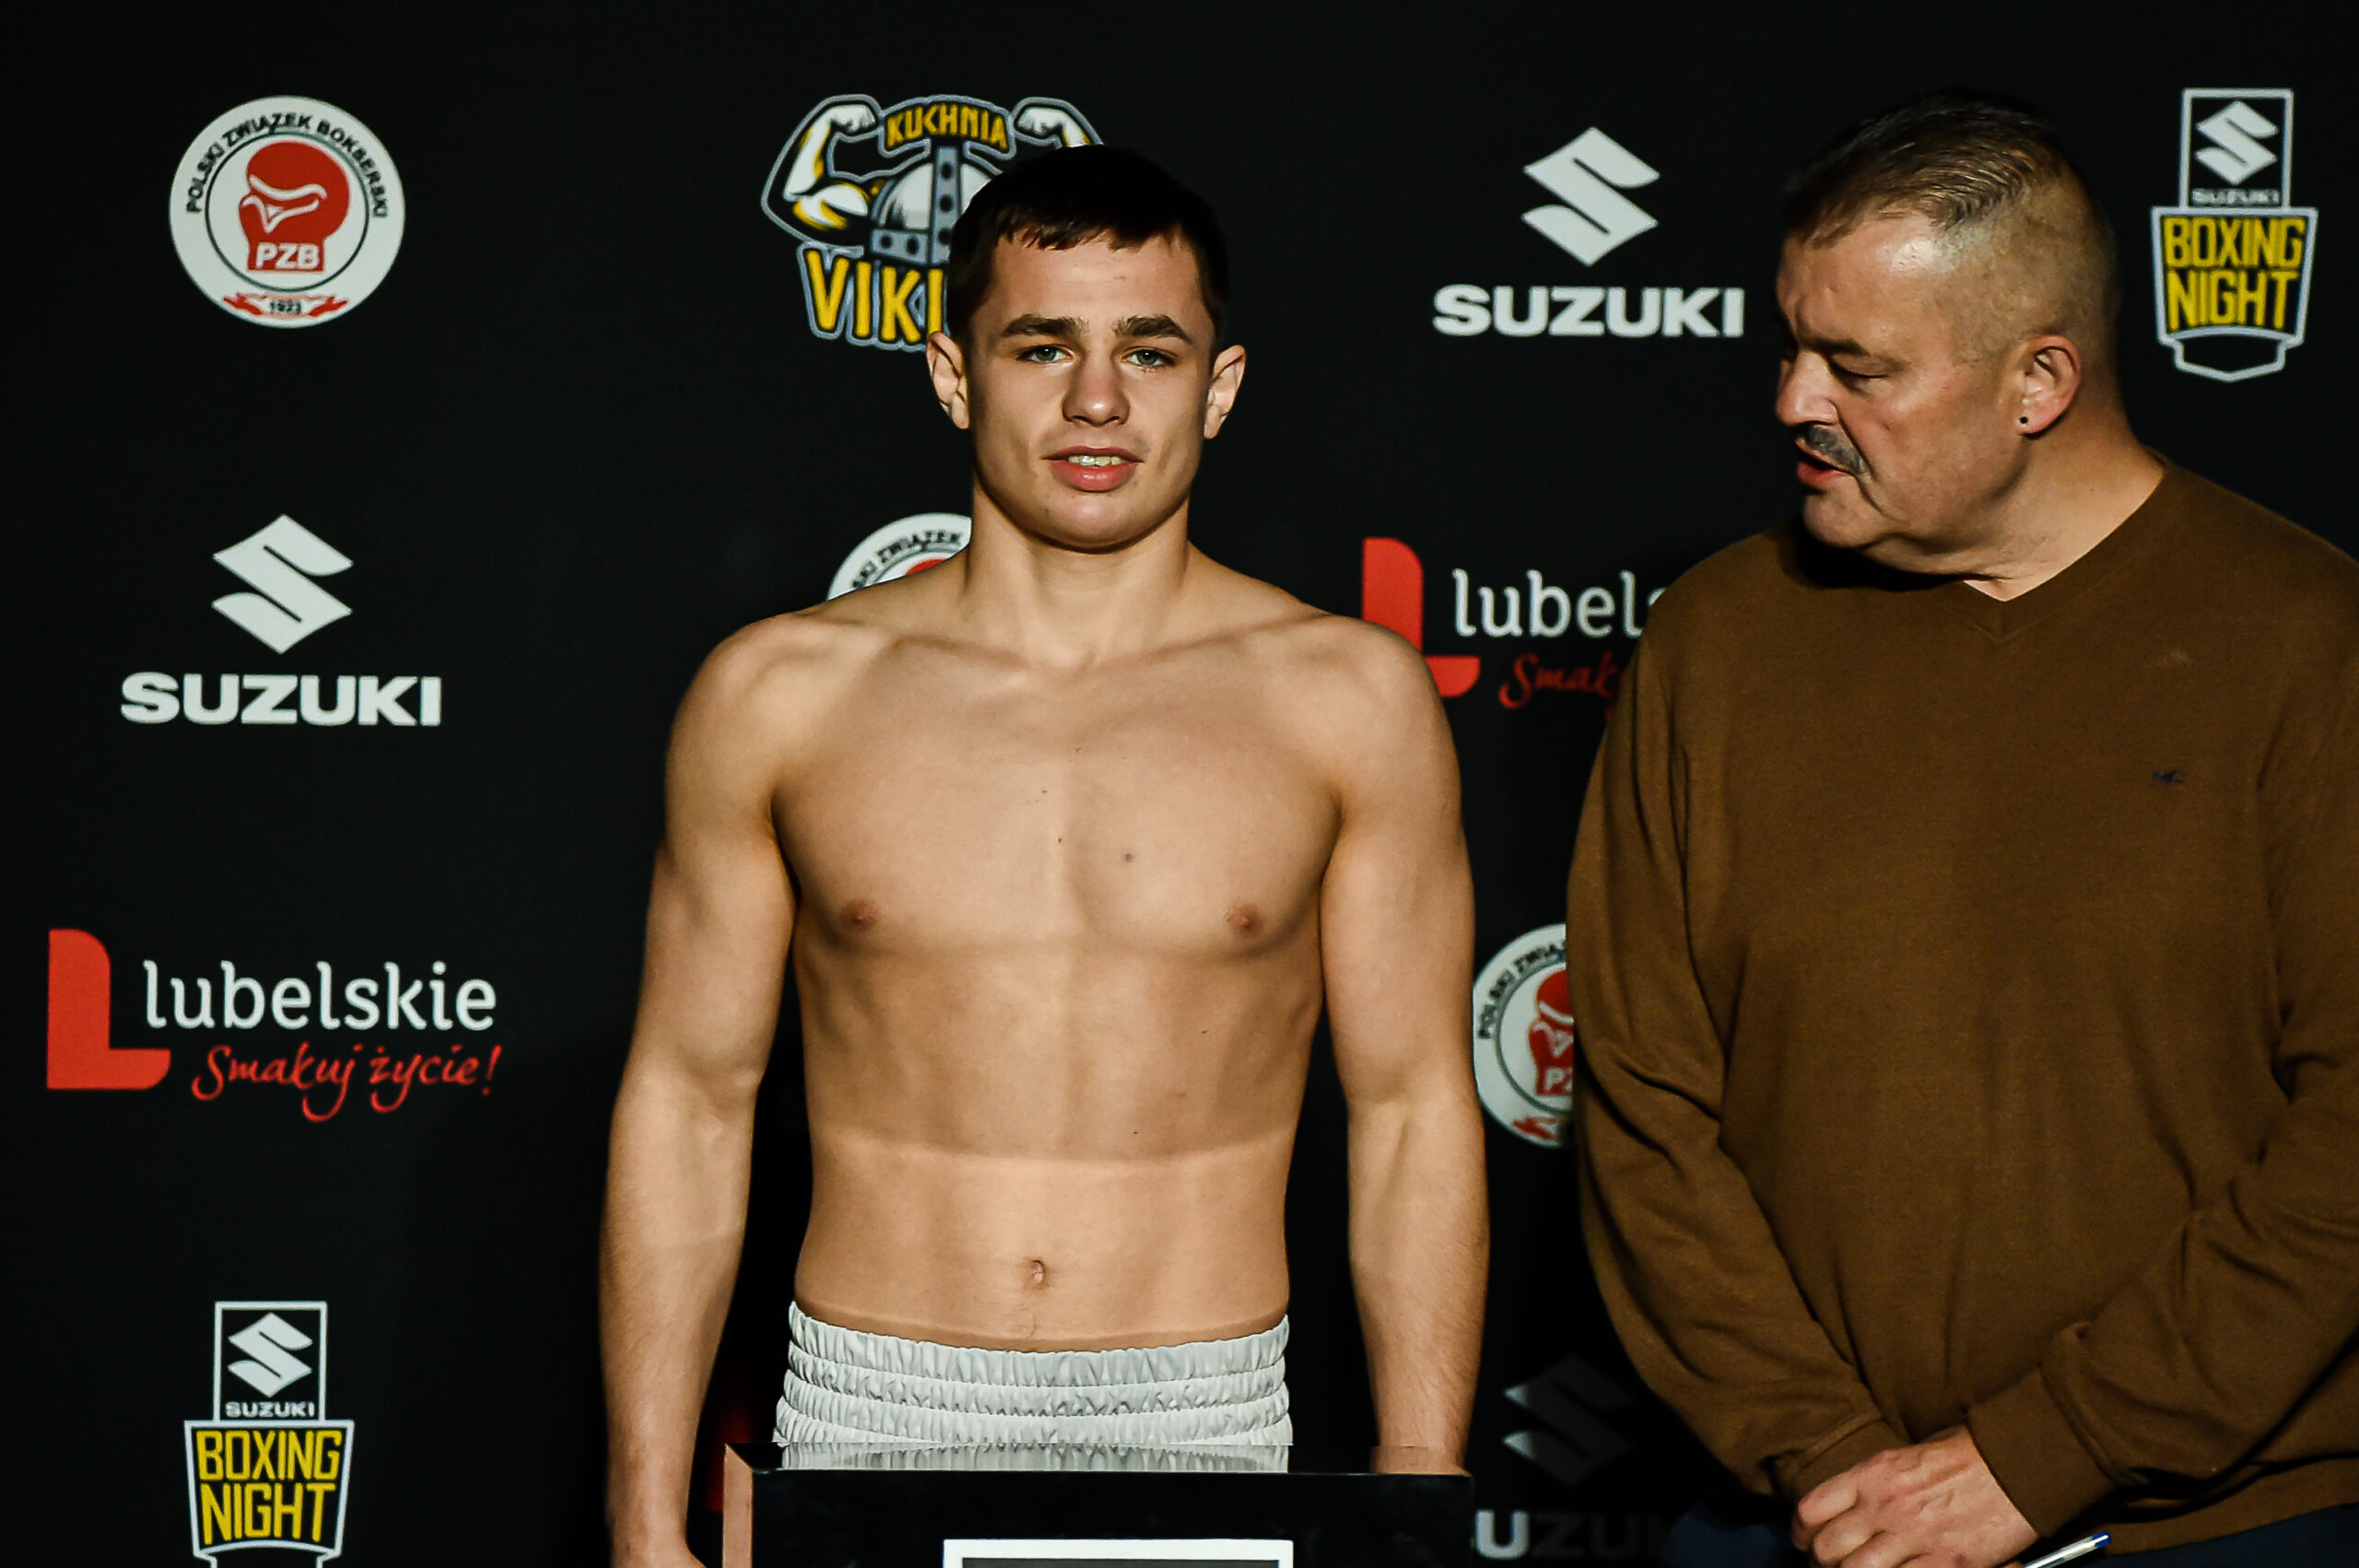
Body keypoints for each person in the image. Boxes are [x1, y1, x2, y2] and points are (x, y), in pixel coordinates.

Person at [602, 146, 1488, 1567]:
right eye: (1041, 346)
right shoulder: (780, 697)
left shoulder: (1347, 702)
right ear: (955, 376)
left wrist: (1420, 1493)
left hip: (1200, 1419)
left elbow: (1413, 1112)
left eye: (1150, 350)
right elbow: (689, 1101)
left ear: (1220, 385)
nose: (1097, 399)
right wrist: (645, 1516)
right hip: (870, 1411)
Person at [1567, 91, 2359, 1568]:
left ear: (2038, 380)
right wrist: (1843, 1470)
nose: (1792, 400)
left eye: (1856, 366)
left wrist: (2042, 1454)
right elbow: (1644, 1109)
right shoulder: (1718, 639)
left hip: (2223, 1528)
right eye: (1791, 347)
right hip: (1800, 1519)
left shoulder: (2312, 642)